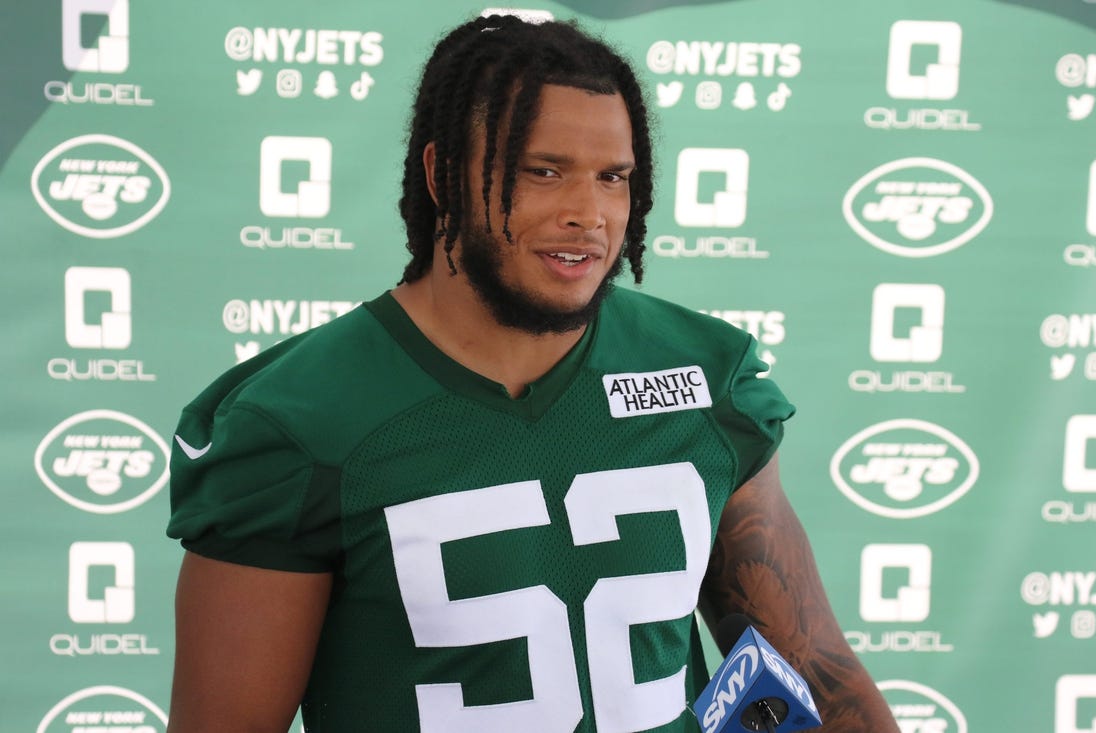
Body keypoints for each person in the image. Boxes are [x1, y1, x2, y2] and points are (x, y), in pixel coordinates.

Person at [165, 14, 900, 733]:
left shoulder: (703, 374)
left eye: (613, 178)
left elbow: (812, 663)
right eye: (543, 172)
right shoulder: (299, 417)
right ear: (442, 174)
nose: (590, 213)